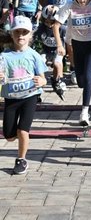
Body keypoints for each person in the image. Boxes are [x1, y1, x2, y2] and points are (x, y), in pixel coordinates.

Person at [0, 16, 47, 174]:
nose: (21, 35)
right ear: (12, 34)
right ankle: (13, 138)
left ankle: (21, 160)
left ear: (30, 35)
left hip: (29, 96)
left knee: (23, 131)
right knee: (9, 136)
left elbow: (43, 78)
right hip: (11, 99)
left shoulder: (34, 55)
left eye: (24, 32)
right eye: (17, 32)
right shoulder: (4, 56)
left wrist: (41, 81)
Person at [35, 5, 67, 100]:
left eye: (52, 22)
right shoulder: (41, 28)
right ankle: (38, 88)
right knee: (39, 62)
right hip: (46, 50)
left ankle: (58, 80)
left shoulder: (62, 29)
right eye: (46, 21)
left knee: (57, 63)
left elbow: (69, 42)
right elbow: (33, 37)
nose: (49, 24)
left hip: (58, 50)